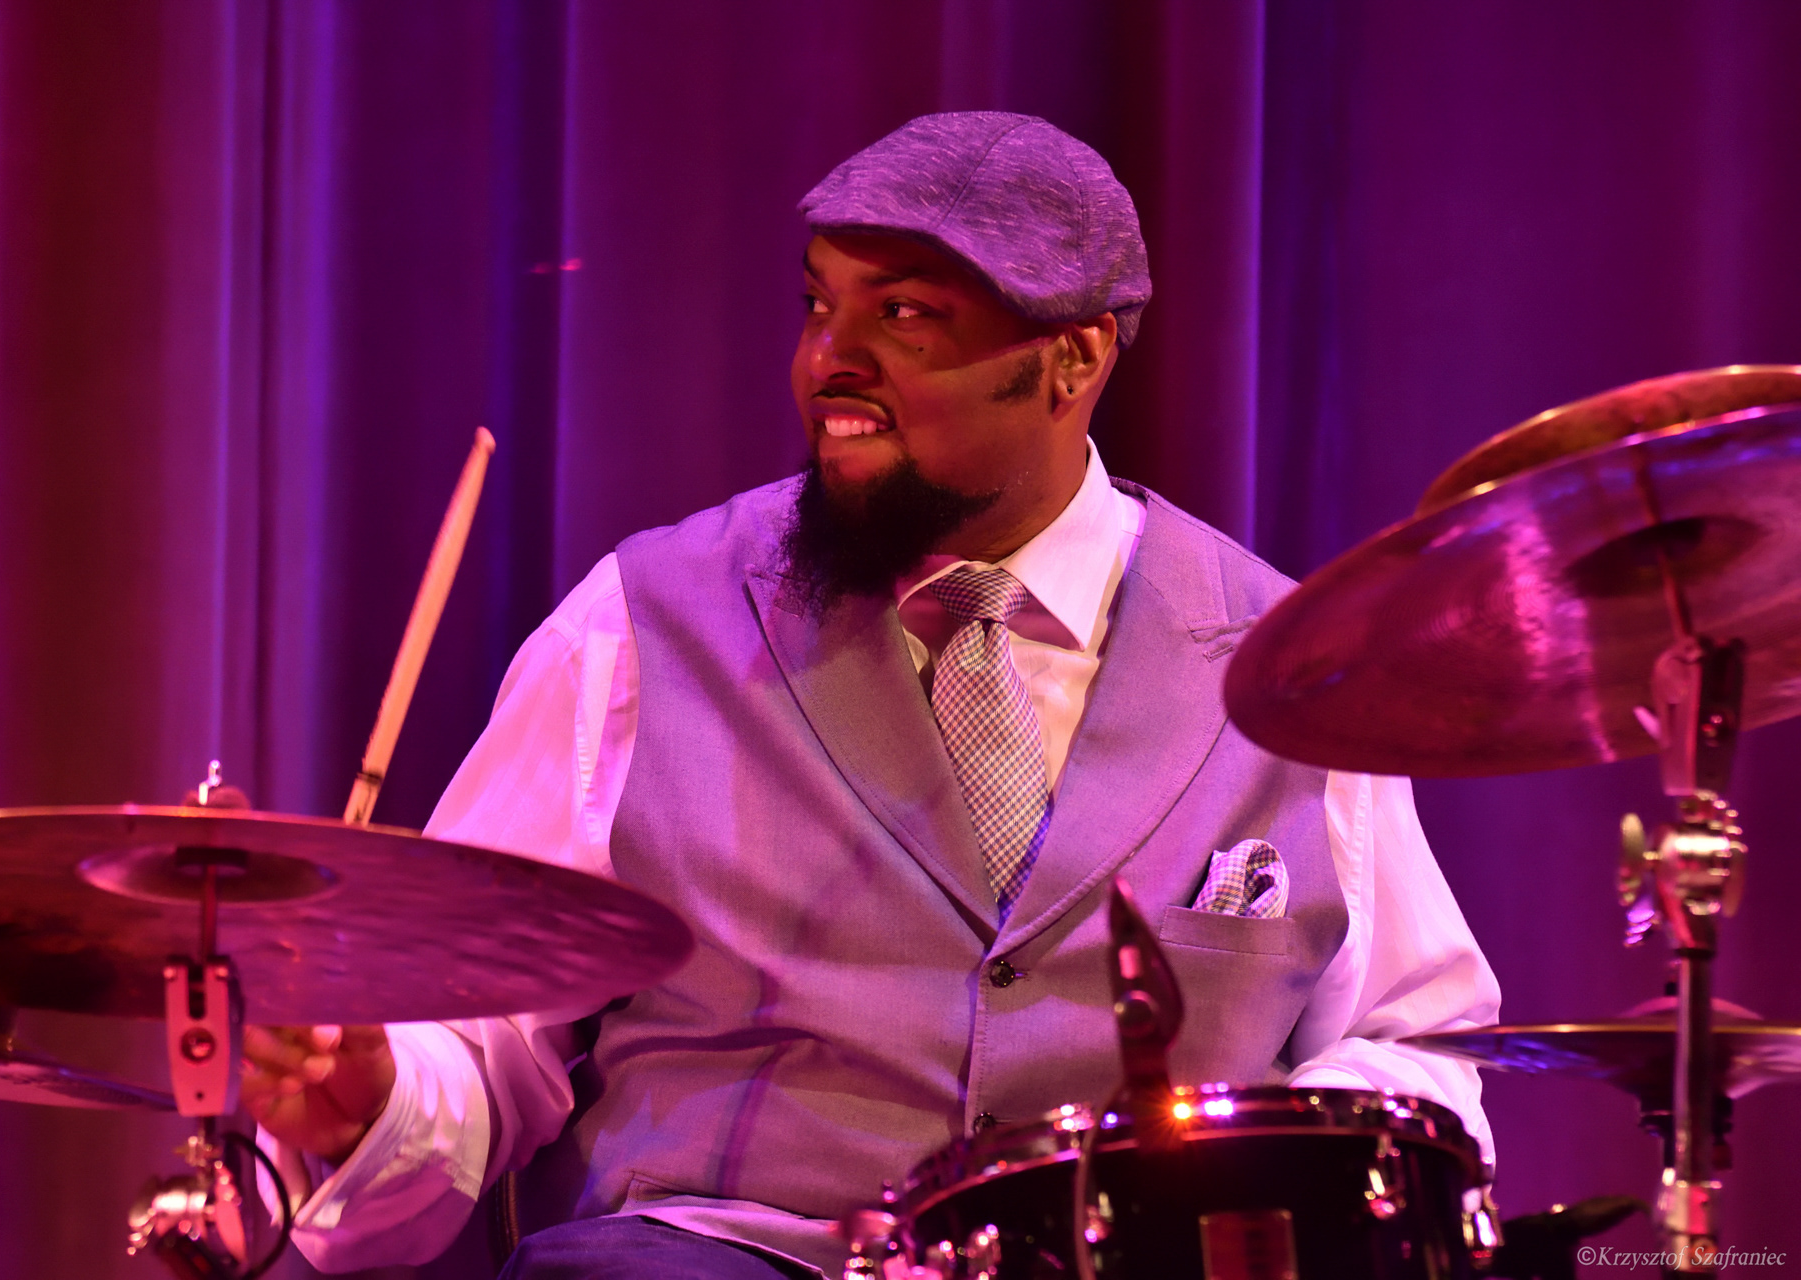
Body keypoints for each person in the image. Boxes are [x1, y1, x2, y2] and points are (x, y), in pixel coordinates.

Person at [244, 112, 1500, 1279]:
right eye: (818, 305)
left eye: (903, 315)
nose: (827, 362)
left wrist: (1287, 1188)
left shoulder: (1289, 662)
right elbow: (478, 1041)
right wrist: (370, 1096)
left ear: (1072, 358)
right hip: (726, 1253)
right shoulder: (639, 624)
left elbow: (1409, 1043)